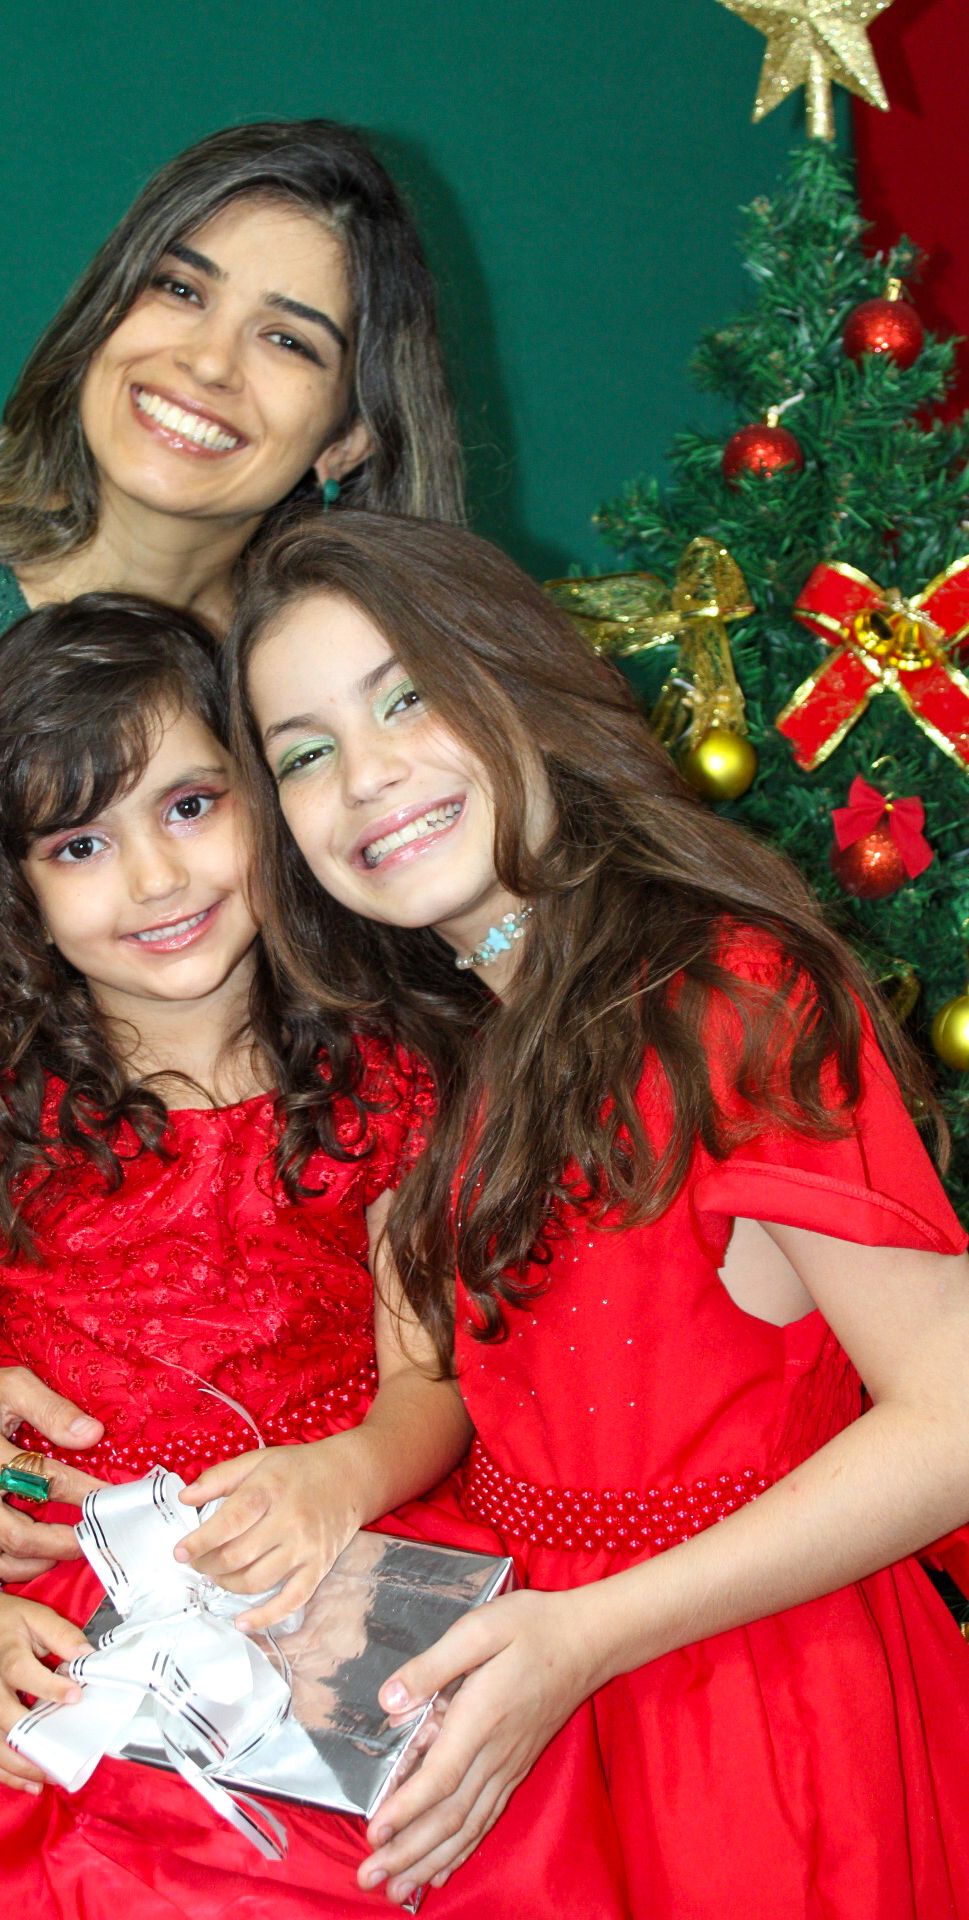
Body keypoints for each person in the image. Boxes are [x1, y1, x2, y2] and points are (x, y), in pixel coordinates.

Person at [0, 593, 550, 1918]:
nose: (155, 878)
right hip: (35, 1571)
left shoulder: (388, 1075)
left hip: (318, 1546)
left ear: (266, 804)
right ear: (19, 891)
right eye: (82, 843)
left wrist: (343, 1477)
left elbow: (424, 1382)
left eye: (191, 807)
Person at [0, 117, 465, 1581]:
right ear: (108, 304)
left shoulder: (335, 679)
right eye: (178, 289)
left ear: (353, 431)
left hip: (305, 1457)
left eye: (288, 340)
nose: (207, 363)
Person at [229, 510, 969, 1919]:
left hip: (746, 1714)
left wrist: (584, 1636)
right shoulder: (460, 1047)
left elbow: (958, 1418)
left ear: (517, 683)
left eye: (408, 697)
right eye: (304, 754)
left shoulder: (729, 996)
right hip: (536, 1718)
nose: (366, 774)